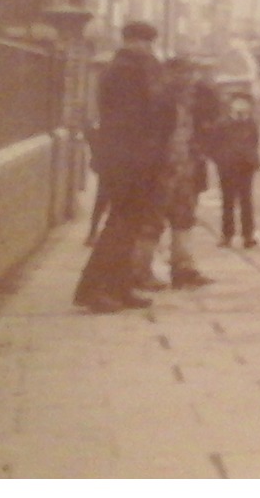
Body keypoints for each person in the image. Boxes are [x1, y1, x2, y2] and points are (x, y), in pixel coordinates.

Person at [73, 21, 170, 313]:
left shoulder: (129, 69)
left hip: (133, 159)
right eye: (145, 43)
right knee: (119, 225)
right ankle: (93, 290)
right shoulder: (127, 71)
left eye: (149, 44)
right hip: (128, 161)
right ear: (132, 41)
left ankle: (119, 287)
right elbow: (136, 119)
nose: (148, 49)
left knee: (128, 226)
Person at [138, 58, 219, 289]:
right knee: (152, 220)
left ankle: (183, 268)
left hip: (187, 167)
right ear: (170, 75)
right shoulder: (159, 102)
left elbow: (207, 125)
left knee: (184, 218)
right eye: (183, 74)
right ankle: (141, 270)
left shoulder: (192, 103)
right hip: (162, 169)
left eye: (190, 75)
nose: (188, 80)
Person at [208, 91, 260, 248]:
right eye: (238, 102)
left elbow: (255, 143)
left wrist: (253, 158)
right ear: (231, 105)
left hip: (246, 167)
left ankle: (248, 236)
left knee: (246, 201)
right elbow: (213, 146)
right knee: (228, 201)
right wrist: (221, 160)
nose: (241, 106)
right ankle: (227, 234)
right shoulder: (222, 124)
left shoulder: (251, 124)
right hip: (227, 167)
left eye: (245, 103)